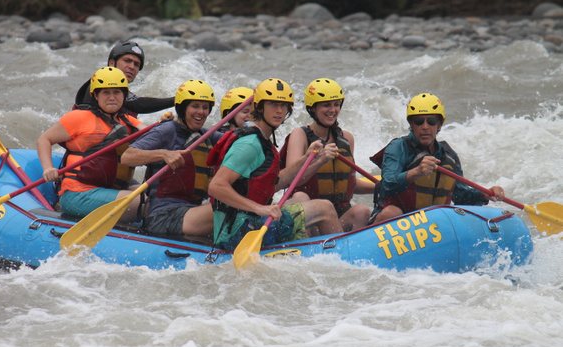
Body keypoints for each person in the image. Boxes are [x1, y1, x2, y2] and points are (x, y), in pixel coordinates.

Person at [207, 78, 343, 250]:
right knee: (325, 208)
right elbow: (216, 187)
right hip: (239, 232)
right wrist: (259, 209)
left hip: (251, 222)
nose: (279, 111)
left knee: (300, 199)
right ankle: (344, 254)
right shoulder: (249, 144)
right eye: (272, 104)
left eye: (284, 105)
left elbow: (277, 181)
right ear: (259, 107)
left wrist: (308, 158)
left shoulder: (263, 141)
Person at [369, 92, 505, 224]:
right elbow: (388, 185)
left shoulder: (448, 156)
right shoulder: (398, 147)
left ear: (439, 124)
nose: (425, 127)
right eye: (419, 121)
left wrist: (483, 195)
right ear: (411, 124)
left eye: (432, 121)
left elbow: (461, 196)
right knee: (391, 212)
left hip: (432, 226)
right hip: (400, 221)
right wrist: (416, 172)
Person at [38, 66, 146, 222]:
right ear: (96, 95)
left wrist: (166, 123)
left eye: (117, 92)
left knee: (156, 198)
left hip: (110, 188)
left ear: (124, 95)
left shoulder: (129, 122)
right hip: (78, 194)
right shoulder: (79, 118)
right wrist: (48, 168)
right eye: (105, 93)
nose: (112, 97)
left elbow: (154, 136)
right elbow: (44, 139)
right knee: (142, 201)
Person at [120, 79, 222, 237]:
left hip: (192, 210)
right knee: (225, 206)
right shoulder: (166, 130)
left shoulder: (207, 135)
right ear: (182, 108)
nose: (201, 112)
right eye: (195, 106)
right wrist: (163, 154)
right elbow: (127, 156)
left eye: (205, 107)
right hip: (163, 216)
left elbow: (234, 141)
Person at [280, 78, 374, 231]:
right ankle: (308, 245)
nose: (333, 110)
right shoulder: (300, 135)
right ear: (312, 108)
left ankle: (351, 249)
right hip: (313, 218)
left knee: (362, 211)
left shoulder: (347, 138)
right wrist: (320, 161)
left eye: (336, 105)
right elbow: (291, 181)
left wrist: (378, 187)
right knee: (299, 197)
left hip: (339, 216)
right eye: (326, 105)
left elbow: (351, 183)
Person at [74, 40, 175, 116]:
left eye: (136, 64)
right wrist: (176, 100)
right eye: (127, 61)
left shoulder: (120, 91)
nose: (132, 67)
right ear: (112, 63)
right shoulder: (99, 83)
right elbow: (139, 104)